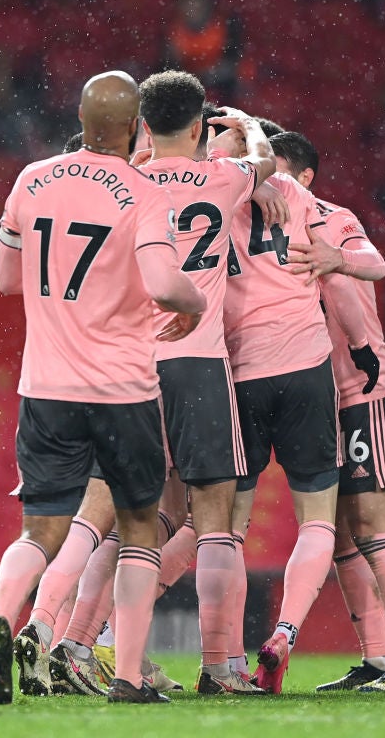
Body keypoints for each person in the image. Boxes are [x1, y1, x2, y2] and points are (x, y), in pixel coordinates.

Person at [0, 70, 207, 706]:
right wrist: (196, 304)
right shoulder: (142, 191)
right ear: (135, 127)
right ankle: (128, 678)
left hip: (45, 385)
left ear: (80, 118)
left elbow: (4, 279)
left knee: (39, 531)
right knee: (137, 528)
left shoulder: (30, 179)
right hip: (122, 390)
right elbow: (164, 284)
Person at [273, 130, 385, 693]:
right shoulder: (265, 229)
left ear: (305, 177)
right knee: (340, 537)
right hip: (320, 399)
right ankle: (377, 660)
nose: (264, 176)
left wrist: (336, 258)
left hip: (367, 391)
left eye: (276, 166)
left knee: (372, 530)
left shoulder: (330, 217)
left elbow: (374, 263)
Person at [219, 120, 373, 694]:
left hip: (240, 372)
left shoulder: (212, 193)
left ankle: (227, 661)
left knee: (227, 529)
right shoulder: (302, 196)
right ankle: (285, 631)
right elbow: (358, 270)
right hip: (307, 369)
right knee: (318, 521)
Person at [135, 71, 276, 696]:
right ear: (198, 127)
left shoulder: (127, 182)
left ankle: (101, 652)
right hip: (197, 359)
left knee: (131, 522)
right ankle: (221, 666)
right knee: (215, 519)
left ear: (144, 124)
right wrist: (241, 125)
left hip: (130, 368)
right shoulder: (224, 179)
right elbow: (265, 160)